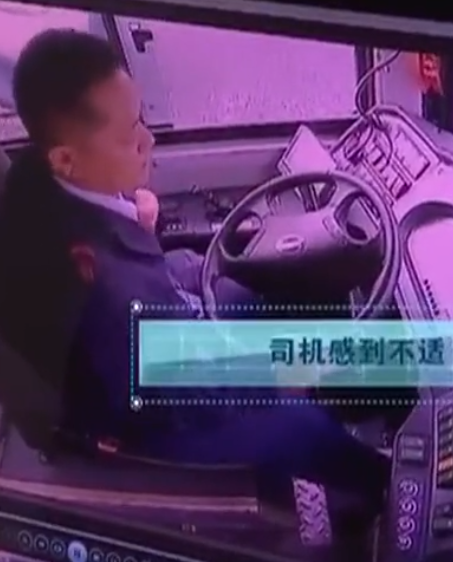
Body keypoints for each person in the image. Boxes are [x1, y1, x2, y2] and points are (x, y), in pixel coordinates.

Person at [0, 30, 390, 510]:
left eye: (141, 120)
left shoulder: (38, 177)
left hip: (151, 338)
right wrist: (274, 377)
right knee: (293, 422)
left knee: (253, 299)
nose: (148, 139)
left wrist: (137, 219)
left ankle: (350, 400)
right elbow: (178, 393)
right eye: (128, 135)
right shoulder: (108, 290)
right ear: (66, 160)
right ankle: (382, 487)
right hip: (147, 414)